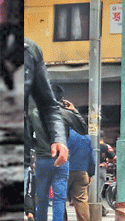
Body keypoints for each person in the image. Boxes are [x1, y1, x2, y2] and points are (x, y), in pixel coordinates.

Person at [24, 38, 69, 221]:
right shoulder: (68, 114)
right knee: (58, 198)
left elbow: (48, 108)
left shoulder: (29, 50)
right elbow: (82, 130)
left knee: (42, 198)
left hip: (40, 160)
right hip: (56, 159)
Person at [66, 128, 96, 221]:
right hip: (81, 172)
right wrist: (90, 174)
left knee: (59, 199)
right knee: (81, 200)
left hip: (63, 171)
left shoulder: (62, 135)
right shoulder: (86, 137)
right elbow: (91, 158)